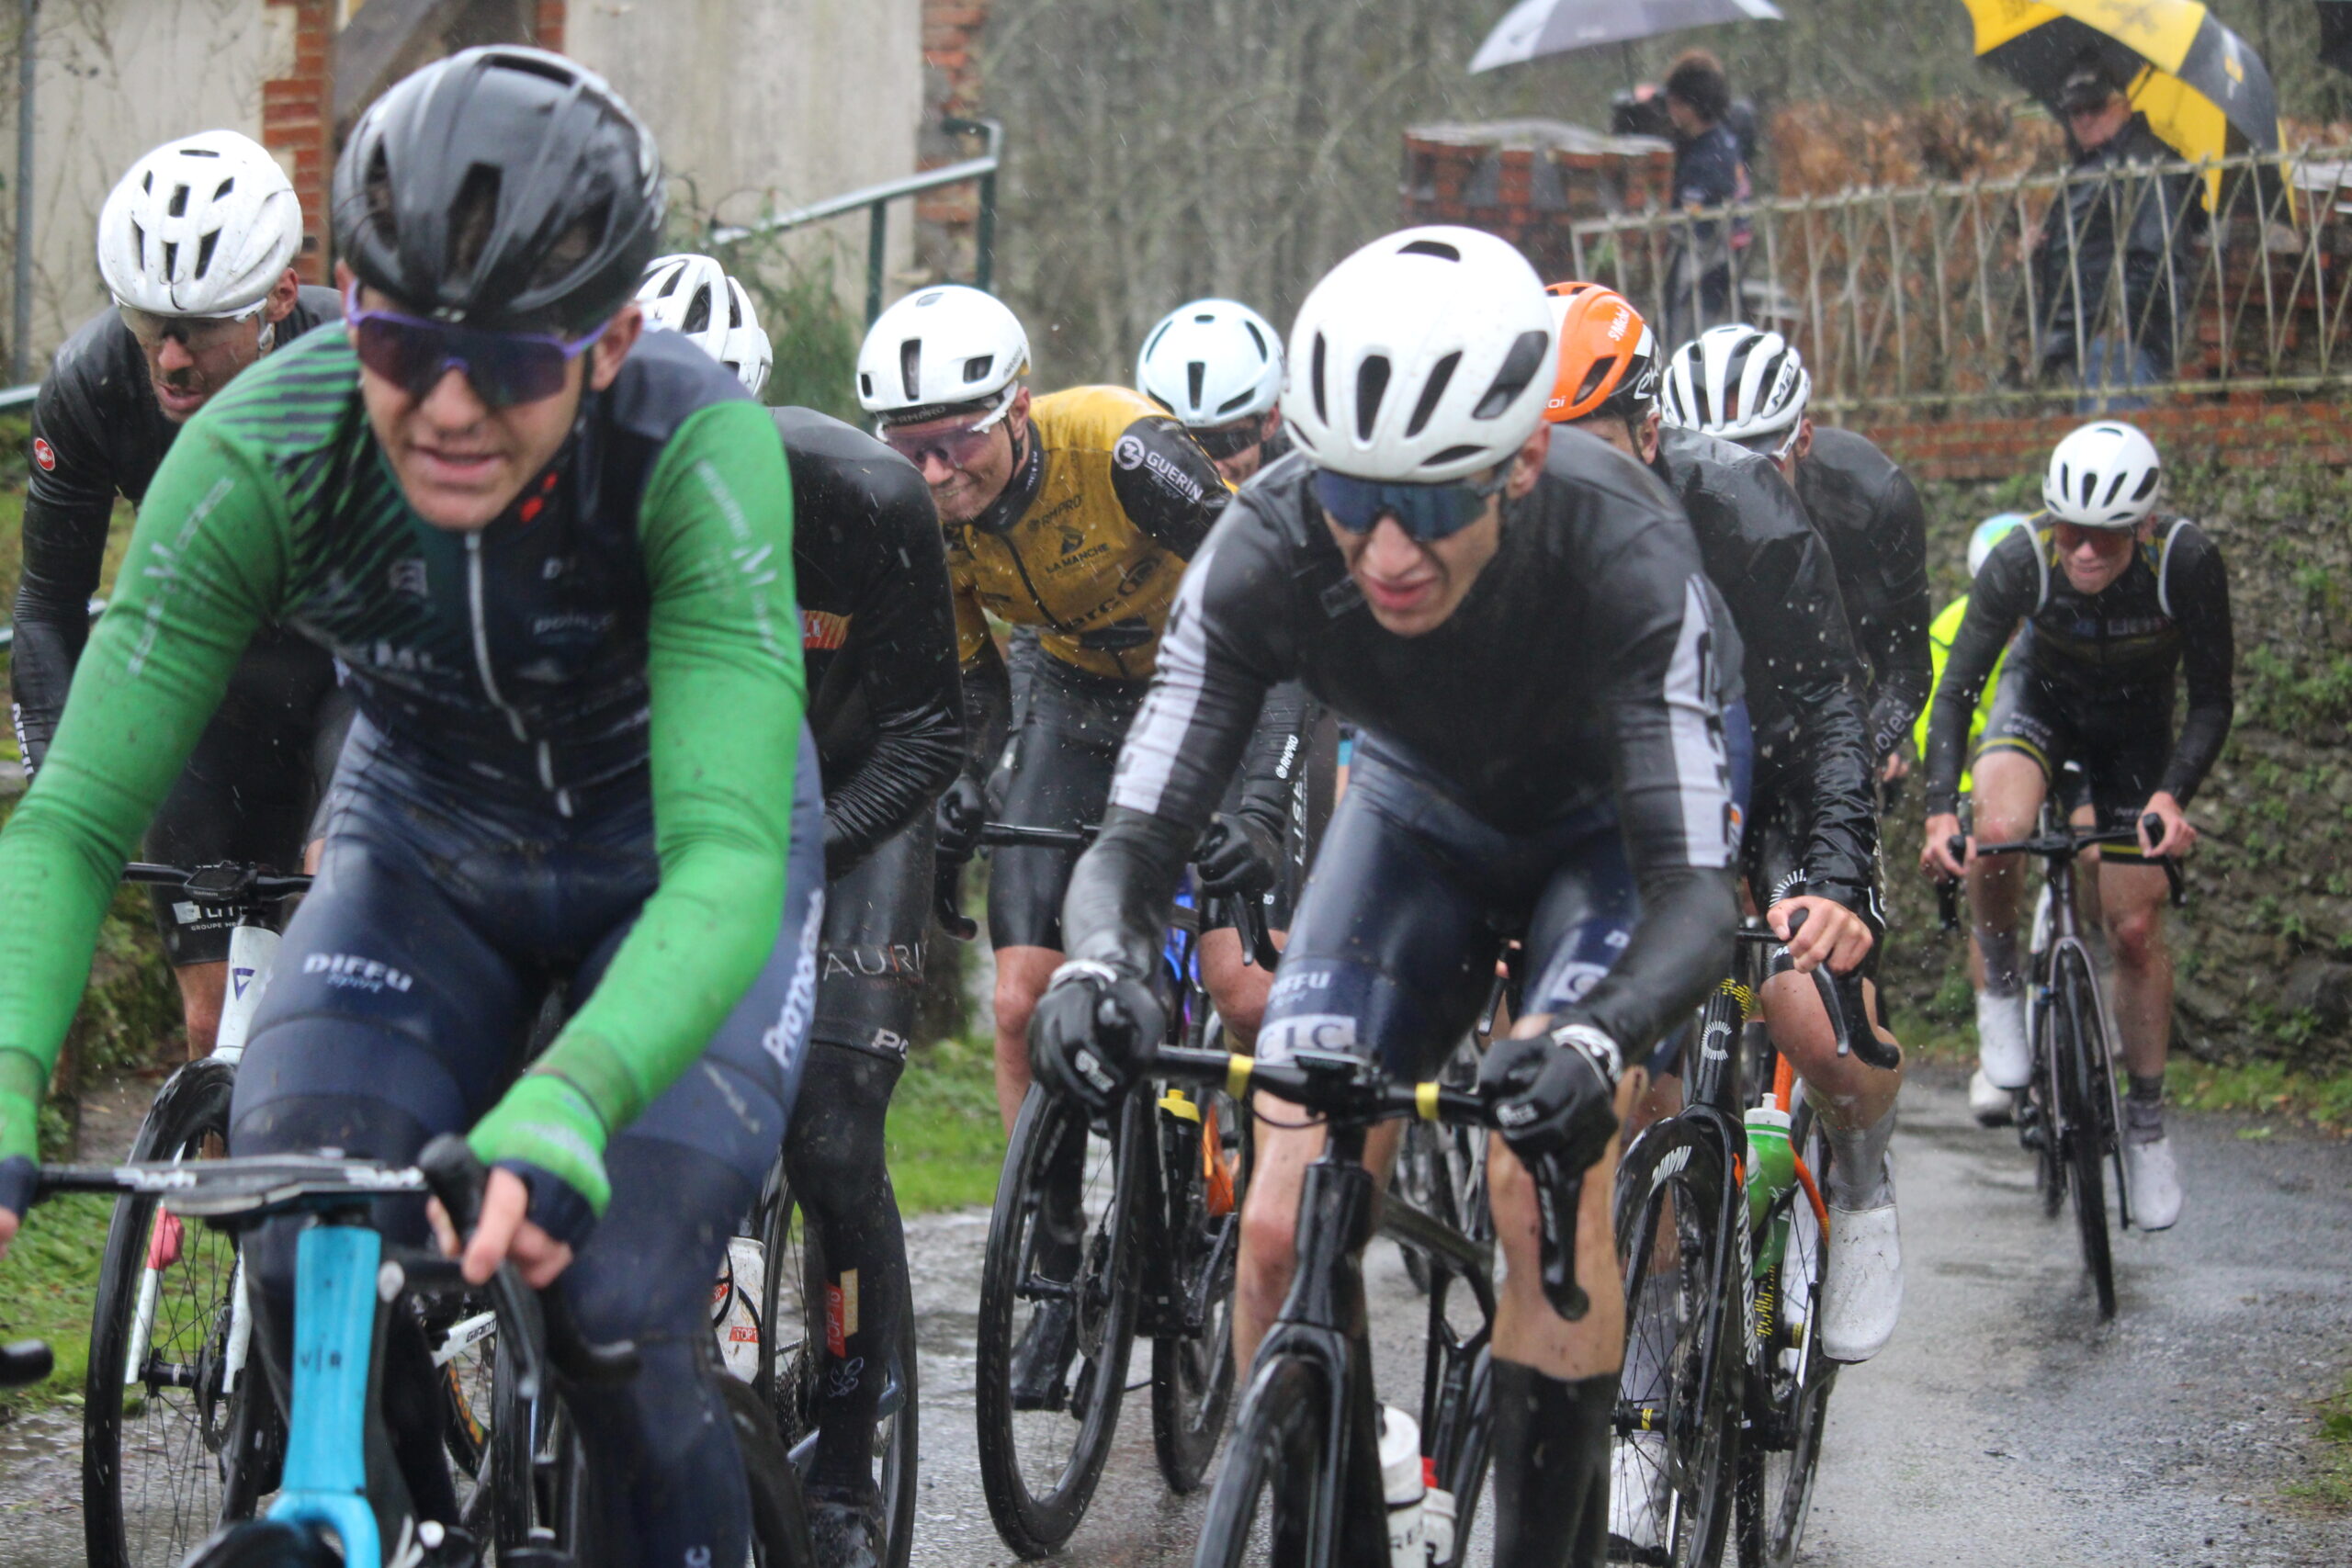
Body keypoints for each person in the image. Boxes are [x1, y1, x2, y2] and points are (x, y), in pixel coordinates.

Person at [0, 48, 824, 1568]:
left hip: (675, 870)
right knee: (298, 1226)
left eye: (507, 362)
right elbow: (69, 821)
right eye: (400, 344)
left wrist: (576, 1093)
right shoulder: (269, 445)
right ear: (347, 308)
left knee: (616, 1309)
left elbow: (726, 859)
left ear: (612, 339)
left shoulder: (692, 445)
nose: (446, 407)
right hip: (427, 853)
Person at [1033, 225, 1742, 1568]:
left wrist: (1598, 1041)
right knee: (1278, 1226)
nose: (1388, 548)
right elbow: (1134, 839)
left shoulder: (1628, 547)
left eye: (1432, 501)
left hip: (1596, 841)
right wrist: (1099, 960)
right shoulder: (1267, 539)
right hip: (1415, 823)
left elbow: (1698, 896)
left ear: (1521, 462)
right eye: (1354, 495)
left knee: (1539, 1187)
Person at [1542, 279, 1900, 1548]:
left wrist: (1833, 882)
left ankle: (1861, 1176)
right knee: (1625, 1101)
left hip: (1776, 760)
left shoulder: (1740, 504)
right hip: (1629, 780)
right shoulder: (1497, 514)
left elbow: (1832, 711)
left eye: (1580, 446)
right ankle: (1647, 1391)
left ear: (1647, 430)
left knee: (1810, 1021)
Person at [638, 254, 961, 1568]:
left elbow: (931, 731)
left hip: (859, 799)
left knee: (830, 1127)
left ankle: (845, 1450)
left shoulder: (866, 495)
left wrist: (798, 849)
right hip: (694, 804)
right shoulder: (574, 509)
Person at [854, 282, 1229, 1401]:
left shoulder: (1117, 447)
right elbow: (971, 682)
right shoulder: (925, 514)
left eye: (956, 440)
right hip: (1074, 699)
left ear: (1017, 405)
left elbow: (1261, 588)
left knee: (1233, 985)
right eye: (908, 447)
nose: (935, 472)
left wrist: (1253, 793)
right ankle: (1056, 1272)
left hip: (1201, 685)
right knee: (1020, 997)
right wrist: (968, 783)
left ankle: (1233, 1183)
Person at [12, 130, 351, 1056]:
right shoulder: (92, 383)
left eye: (197, 330)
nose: (166, 359)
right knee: (213, 1027)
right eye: (144, 322)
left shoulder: (357, 365)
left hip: (348, 681)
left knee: (336, 979)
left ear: (280, 296)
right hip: (208, 696)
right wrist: (63, 807)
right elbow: (46, 610)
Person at [1921, 423, 2233, 1230]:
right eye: (2071, 531)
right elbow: (1956, 690)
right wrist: (1938, 810)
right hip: (2039, 704)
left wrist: (2172, 796)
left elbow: (2212, 700)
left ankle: (2148, 1123)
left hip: (2135, 729)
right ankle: (2000, 990)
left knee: (2133, 927)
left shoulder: (2186, 562)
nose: (2086, 551)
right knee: (1998, 828)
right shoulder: (2020, 558)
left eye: (2108, 535)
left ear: (2145, 526)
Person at [1136, 297, 1339, 1050]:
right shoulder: (1133, 473)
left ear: (1272, 418)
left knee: (1252, 995)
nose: (1210, 463)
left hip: (1296, 697)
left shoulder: (1305, 487)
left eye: (1227, 440)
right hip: (1185, 693)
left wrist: (1260, 812)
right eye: (1187, 440)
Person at [1660, 324, 1935, 784]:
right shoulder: (1655, 498)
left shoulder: (1871, 500)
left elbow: (1905, 673)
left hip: (1816, 710)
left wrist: (1849, 759)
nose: (1736, 490)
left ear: (1803, 439)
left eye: (1758, 465)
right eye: (1708, 467)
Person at [1915, 513, 2036, 1126]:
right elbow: (1937, 718)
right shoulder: (1952, 627)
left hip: (2045, 758)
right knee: (1989, 871)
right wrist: (1958, 800)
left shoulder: (2055, 617)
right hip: (1979, 774)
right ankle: (1996, 1042)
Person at [2031, 61, 2200, 411]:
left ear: (2123, 106)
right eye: (2074, 111)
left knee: (2111, 438)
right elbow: (2088, 250)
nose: (2084, 119)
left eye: (2095, 106)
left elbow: (2158, 253)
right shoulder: (2093, 166)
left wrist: (2124, 322)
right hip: (2090, 344)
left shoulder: (2141, 164)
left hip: (2118, 347)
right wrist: (2043, 247)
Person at [1659, 51, 1754, 348]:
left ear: (1690, 105)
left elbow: (1693, 226)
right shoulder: (1723, 140)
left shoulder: (1707, 157)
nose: (1670, 109)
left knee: (1695, 344)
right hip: (1723, 268)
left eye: (1675, 102)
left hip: (1707, 271)